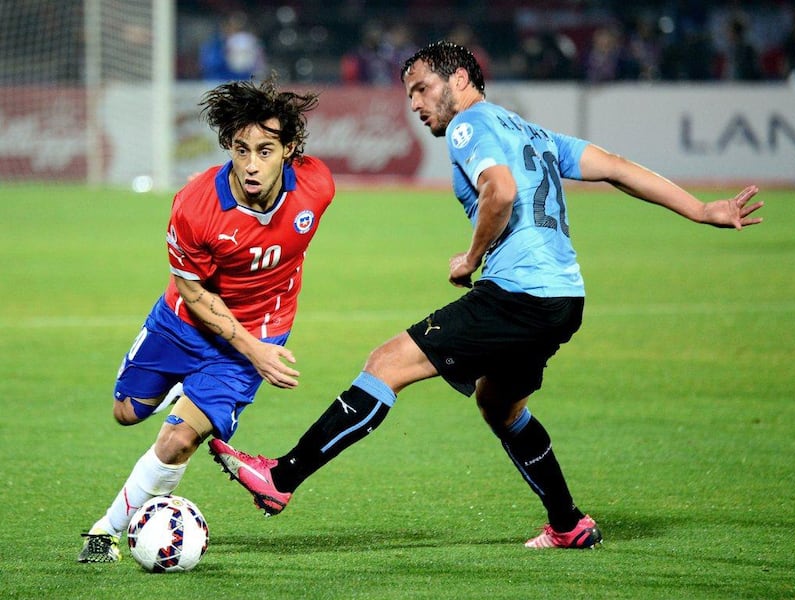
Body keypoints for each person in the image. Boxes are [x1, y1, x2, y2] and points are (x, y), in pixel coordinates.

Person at [208, 41, 763, 549]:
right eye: (408, 95)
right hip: (564, 299)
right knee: (499, 405)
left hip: (518, 294)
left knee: (387, 363)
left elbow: (499, 191)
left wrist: (470, 258)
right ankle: (568, 524)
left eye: (422, 89)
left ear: (460, 79)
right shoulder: (533, 134)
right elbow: (616, 168)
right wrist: (701, 209)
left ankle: (281, 478)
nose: (416, 104)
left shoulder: (469, 126)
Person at [77, 77, 335, 563]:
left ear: (290, 149)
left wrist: (256, 346)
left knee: (177, 441)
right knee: (126, 412)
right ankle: (181, 386)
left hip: (257, 332)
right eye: (241, 149)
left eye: (265, 149)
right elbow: (193, 293)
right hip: (183, 323)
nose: (252, 163)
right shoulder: (196, 206)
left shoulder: (317, 186)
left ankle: (103, 533)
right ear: (228, 147)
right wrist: (256, 351)